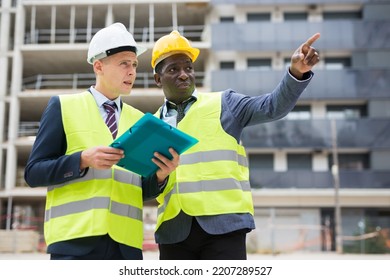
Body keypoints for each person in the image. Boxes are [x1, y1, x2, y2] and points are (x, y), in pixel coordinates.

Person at [151, 30, 320, 260]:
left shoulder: (226, 104)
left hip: (224, 228)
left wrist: (296, 73)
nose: (184, 75)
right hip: (174, 232)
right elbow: (149, 181)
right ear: (158, 79)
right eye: (173, 69)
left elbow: (272, 106)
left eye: (188, 68)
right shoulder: (152, 125)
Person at [24, 23, 179, 260]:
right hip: (74, 243)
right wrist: (82, 160)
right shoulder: (63, 107)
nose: (132, 72)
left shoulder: (141, 121)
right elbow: (34, 173)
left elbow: (140, 189)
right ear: (99, 66)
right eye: (124, 63)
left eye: (135, 65)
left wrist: (160, 176)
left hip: (125, 247)